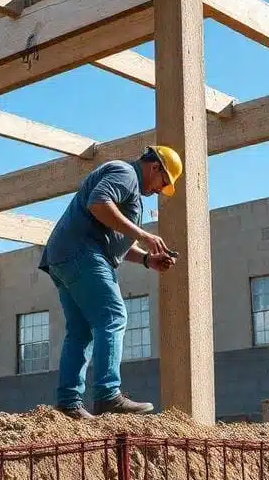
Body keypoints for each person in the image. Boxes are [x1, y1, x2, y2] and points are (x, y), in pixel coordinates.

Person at [38, 146, 183, 420]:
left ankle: (69, 403)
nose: (159, 190)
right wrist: (144, 235)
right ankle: (107, 395)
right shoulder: (126, 173)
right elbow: (98, 204)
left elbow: (112, 239)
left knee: (81, 331)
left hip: (64, 256)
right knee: (113, 317)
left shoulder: (128, 184)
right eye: (163, 182)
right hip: (82, 253)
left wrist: (146, 259)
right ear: (155, 167)